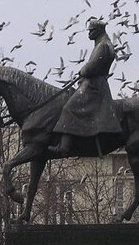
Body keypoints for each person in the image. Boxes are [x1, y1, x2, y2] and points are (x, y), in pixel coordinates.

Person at [49, 19, 122, 157]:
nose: (89, 33)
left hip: (94, 86)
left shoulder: (104, 45)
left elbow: (93, 67)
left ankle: (64, 147)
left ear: (99, 30)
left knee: (69, 108)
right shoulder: (102, 44)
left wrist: (83, 70)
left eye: (91, 30)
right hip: (93, 83)